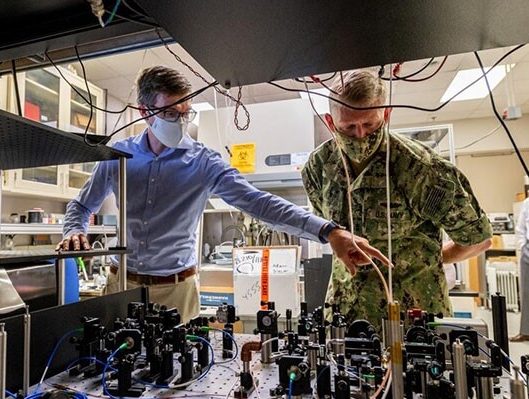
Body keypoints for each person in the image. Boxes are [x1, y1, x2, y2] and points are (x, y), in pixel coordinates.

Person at [56, 66, 388, 321]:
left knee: (175, 382)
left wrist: (328, 231)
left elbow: (258, 202)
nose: (181, 122)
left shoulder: (203, 162)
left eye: (186, 114)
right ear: (145, 113)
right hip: (120, 285)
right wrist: (74, 230)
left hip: (176, 290)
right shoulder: (119, 156)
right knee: (112, 373)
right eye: (171, 114)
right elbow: (82, 205)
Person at [301, 69, 492, 327]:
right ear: (330, 122)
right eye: (348, 127)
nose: (360, 135)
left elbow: (478, 239)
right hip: (345, 316)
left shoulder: (423, 170)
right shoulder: (319, 167)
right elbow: (324, 227)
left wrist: (431, 258)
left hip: (413, 317)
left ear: (387, 114)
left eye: (370, 124)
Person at [512, 197, 529, 342]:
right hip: (528, 250)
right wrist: (523, 245)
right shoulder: (527, 203)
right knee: (526, 292)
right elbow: (521, 227)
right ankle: (525, 331)